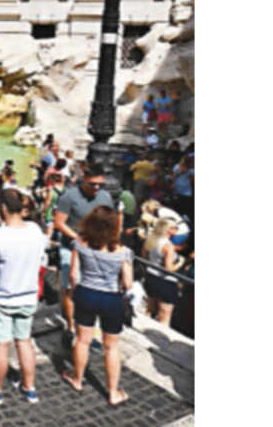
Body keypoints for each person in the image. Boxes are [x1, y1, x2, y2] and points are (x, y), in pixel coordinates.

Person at [0, 190, 49, 406]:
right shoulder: (36, 231)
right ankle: (29, 388)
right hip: (28, 296)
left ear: (3, 208)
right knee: (24, 342)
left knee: (0, 346)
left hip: (2, 297)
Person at [62, 206, 134, 408]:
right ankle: (113, 392)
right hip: (111, 298)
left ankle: (77, 379)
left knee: (82, 340)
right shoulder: (124, 252)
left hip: (86, 293)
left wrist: (75, 292)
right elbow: (128, 284)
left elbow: (73, 275)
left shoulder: (79, 244)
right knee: (111, 346)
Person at [54, 163, 114, 346]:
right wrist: (79, 239)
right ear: (84, 178)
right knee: (70, 286)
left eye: (100, 185)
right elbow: (59, 223)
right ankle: (71, 325)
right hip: (70, 247)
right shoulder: (69, 197)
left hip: (95, 249)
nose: (97, 188)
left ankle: (86, 324)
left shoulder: (105, 197)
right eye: (93, 184)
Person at [143, 218, 183, 327]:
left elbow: (144, 257)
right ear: (167, 230)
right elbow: (168, 269)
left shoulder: (150, 240)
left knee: (149, 310)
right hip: (166, 282)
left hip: (151, 277)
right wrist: (180, 263)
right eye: (175, 228)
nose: (177, 230)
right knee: (164, 317)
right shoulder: (168, 246)